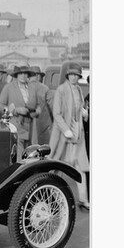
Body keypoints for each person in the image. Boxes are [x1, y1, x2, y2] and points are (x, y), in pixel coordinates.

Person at [49, 61, 90, 209]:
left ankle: (83, 200)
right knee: (57, 168)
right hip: (62, 137)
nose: (74, 77)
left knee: (80, 168)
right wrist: (66, 130)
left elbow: (78, 108)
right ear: (68, 75)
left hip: (77, 136)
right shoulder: (61, 90)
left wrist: (83, 113)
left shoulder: (78, 89)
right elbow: (57, 114)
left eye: (76, 75)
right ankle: (50, 198)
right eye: (72, 74)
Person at [0, 63, 42, 157]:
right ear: (16, 75)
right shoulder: (9, 88)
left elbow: (38, 104)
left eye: (25, 74)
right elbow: (0, 105)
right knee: (18, 156)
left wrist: (38, 110)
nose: (23, 76)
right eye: (21, 74)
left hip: (31, 127)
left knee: (31, 155)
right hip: (16, 125)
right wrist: (15, 110)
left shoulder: (32, 88)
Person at [28, 66, 53, 145]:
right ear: (38, 76)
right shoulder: (45, 88)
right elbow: (51, 105)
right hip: (43, 123)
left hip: (27, 122)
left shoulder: (24, 87)